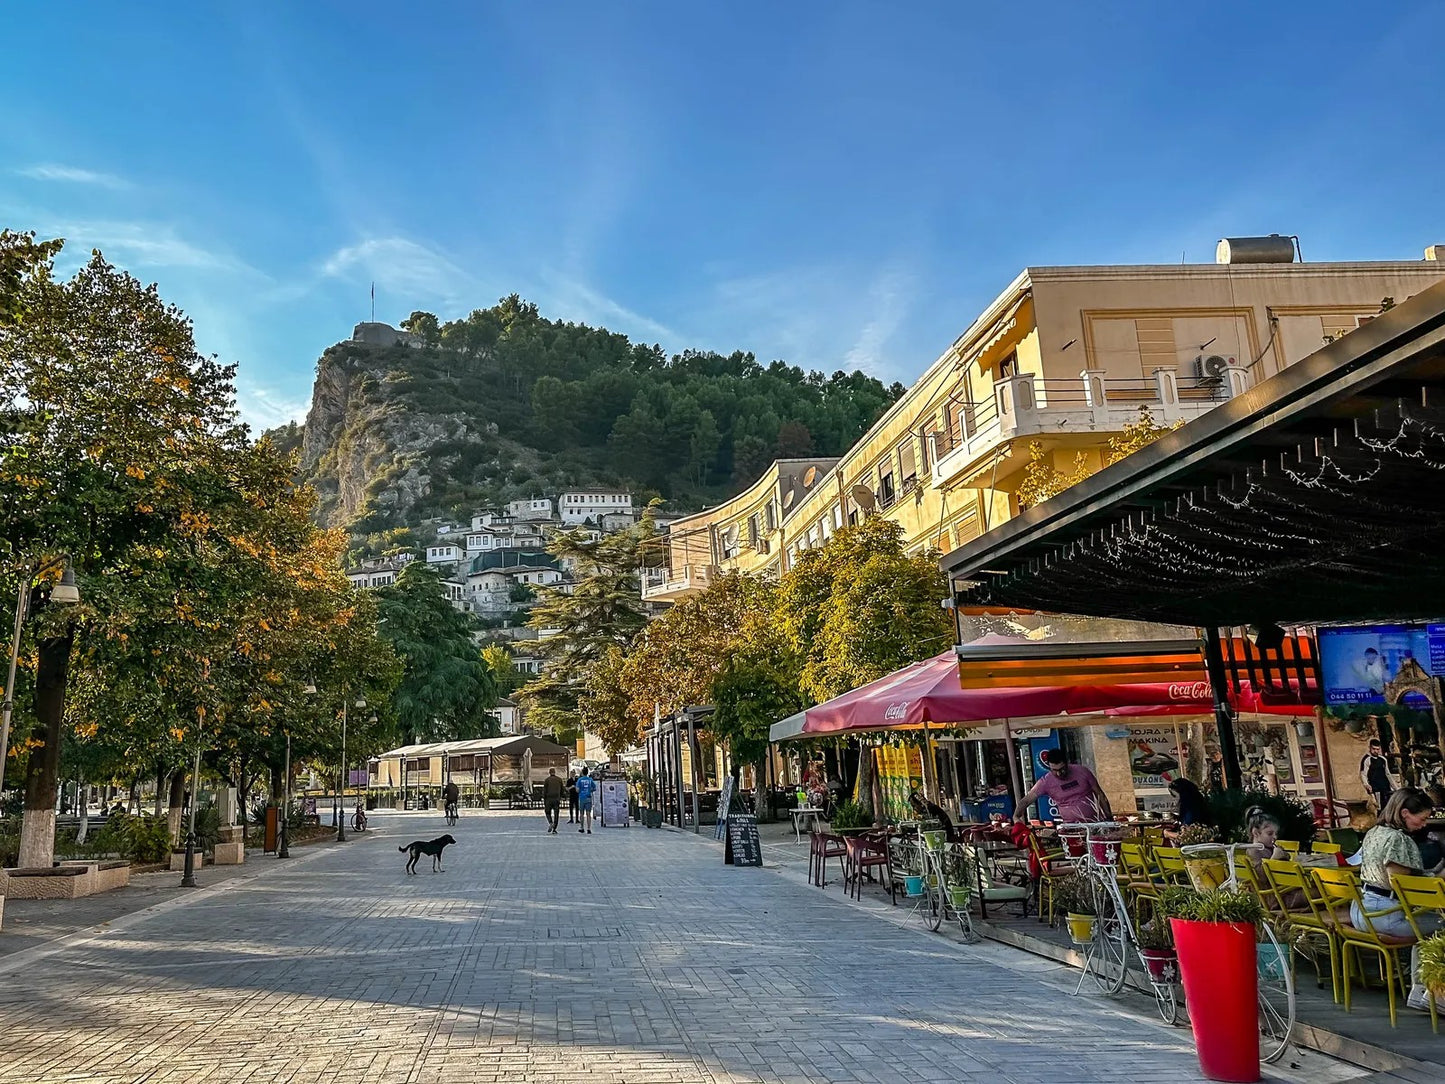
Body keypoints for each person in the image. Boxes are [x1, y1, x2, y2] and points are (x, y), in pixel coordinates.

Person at [1353, 788, 1444, 1011]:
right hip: (1385, 915)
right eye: (1421, 819)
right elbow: (1405, 888)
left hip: (1363, 910)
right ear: (1404, 813)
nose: (1424, 825)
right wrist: (1438, 881)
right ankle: (1438, 996)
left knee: (1424, 928)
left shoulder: (1375, 831)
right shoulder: (1398, 840)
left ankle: (1419, 991)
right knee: (1439, 926)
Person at [1012, 749, 1111, 824]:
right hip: (1071, 827)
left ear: (1067, 763)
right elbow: (1026, 800)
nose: (1059, 773)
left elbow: (1100, 794)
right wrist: (1016, 817)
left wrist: (1109, 818)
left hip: (1095, 822)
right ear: (1049, 767)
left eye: (1062, 769)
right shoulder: (1045, 782)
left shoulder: (1082, 771)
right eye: (1054, 770)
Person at [1360, 739, 1396, 813]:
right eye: (1374, 749)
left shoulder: (1383, 759)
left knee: (1388, 808)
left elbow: (1388, 774)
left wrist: (1395, 788)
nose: (1376, 751)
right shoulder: (1367, 759)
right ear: (1370, 748)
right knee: (1379, 809)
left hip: (1386, 788)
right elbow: (1363, 774)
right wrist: (1367, 785)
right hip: (1376, 789)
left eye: (1377, 749)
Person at [542, 768, 565, 834]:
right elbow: (562, 790)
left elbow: (545, 791)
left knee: (547, 812)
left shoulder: (547, 780)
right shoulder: (559, 780)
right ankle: (554, 828)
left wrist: (544, 798)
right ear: (555, 772)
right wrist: (562, 796)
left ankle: (550, 822)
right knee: (556, 814)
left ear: (549, 772)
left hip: (549, 799)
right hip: (556, 799)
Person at [575, 768, 596, 834]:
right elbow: (594, 788)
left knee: (581, 813)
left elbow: (577, 790)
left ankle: (582, 827)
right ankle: (589, 828)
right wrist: (589, 790)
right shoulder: (590, 780)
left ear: (582, 772)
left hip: (582, 797)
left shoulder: (579, 780)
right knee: (588, 813)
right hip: (588, 797)